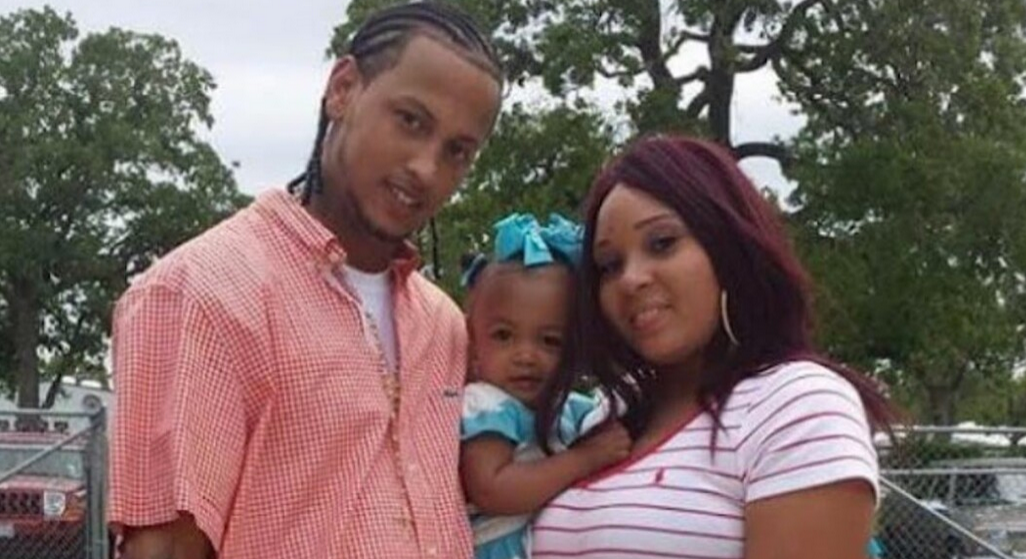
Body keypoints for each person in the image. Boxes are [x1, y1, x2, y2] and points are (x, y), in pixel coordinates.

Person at [107, 3, 503, 559]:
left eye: (457, 151)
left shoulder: (444, 326)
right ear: (343, 88)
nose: (426, 167)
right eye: (411, 120)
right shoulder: (200, 292)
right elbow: (165, 550)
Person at [530, 134, 898, 559]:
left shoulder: (795, 404)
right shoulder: (606, 413)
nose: (630, 279)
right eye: (610, 265)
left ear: (728, 245)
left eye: (662, 243)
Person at [458, 213, 631, 559]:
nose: (526, 356)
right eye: (503, 336)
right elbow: (491, 489)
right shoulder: (486, 404)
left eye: (550, 341)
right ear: (473, 345)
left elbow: (613, 416)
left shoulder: (566, 407)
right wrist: (584, 459)